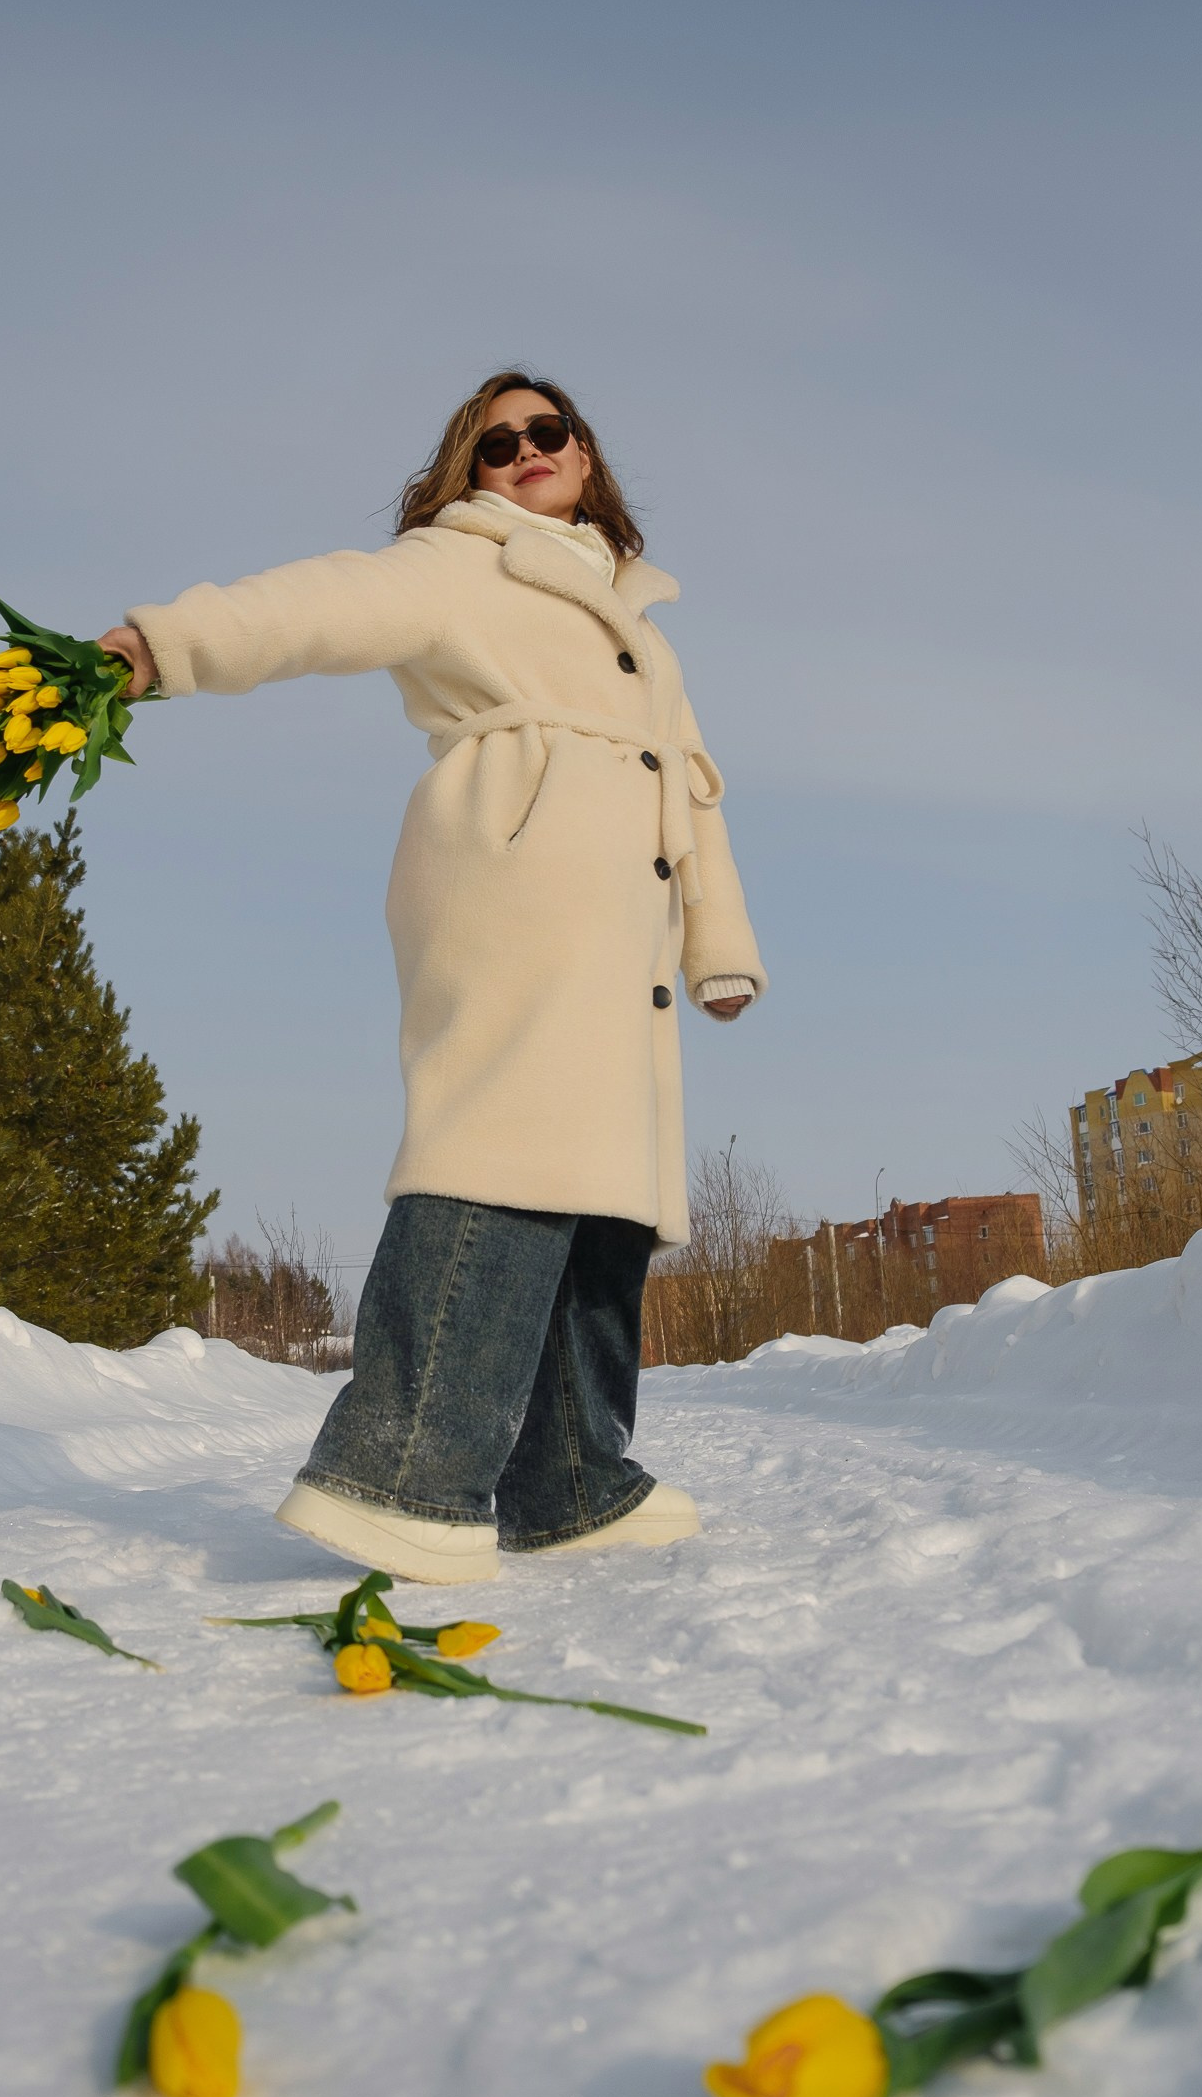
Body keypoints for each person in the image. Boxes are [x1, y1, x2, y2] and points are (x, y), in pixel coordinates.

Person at [100, 371, 765, 1583]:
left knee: (602, 1180)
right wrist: (161, 648)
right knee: (502, 1141)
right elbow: (320, 605)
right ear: (469, 472)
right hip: (512, 875)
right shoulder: (463, 563)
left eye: (543, 431)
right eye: (492, 442)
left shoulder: (636, 622)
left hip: (621, 917)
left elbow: (693, 784)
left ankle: (571, 1479)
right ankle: (400, 1473)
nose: (522, 451)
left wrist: (720, 941)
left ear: (585, 449)